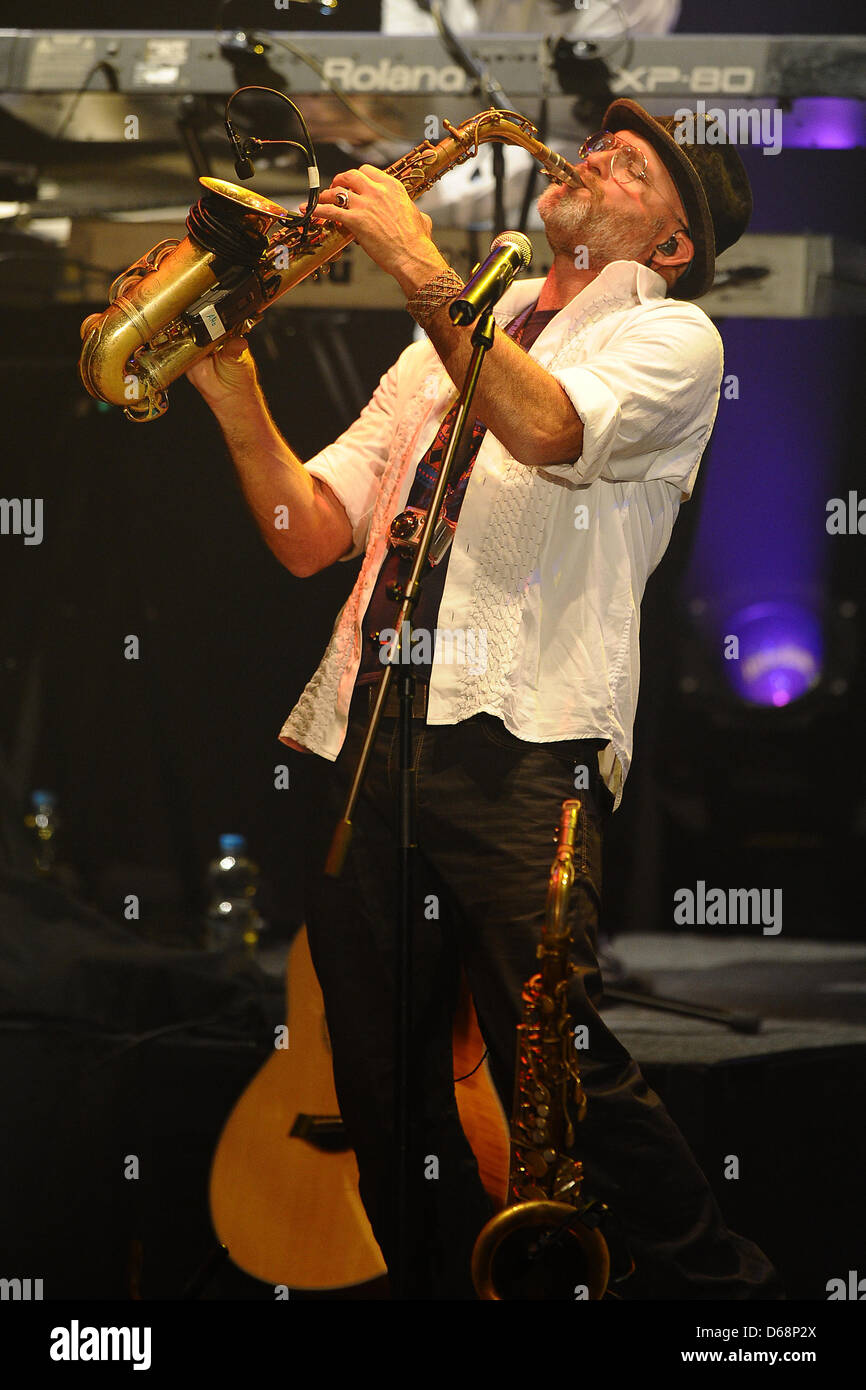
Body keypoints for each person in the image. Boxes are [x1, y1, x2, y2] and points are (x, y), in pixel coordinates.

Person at [186, 99, 782, 1300]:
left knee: (557, 1066)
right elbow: (313, 535)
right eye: (600, 141)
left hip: (523, 746)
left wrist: (414, 257)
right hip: (367, 736)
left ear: (670, 244)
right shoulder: (457, 330)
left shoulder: (670, 339)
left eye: (631, 165)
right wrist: (230, 383)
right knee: (380, 1083)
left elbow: (549, 428)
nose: (592, 154)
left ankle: (736, 1302)